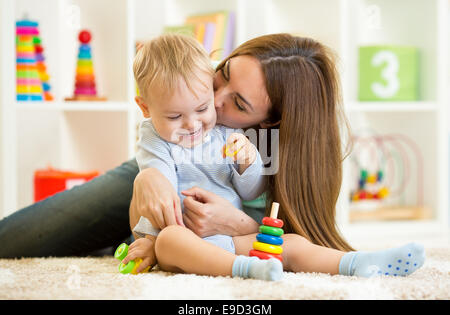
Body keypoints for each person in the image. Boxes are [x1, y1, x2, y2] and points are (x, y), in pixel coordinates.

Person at [0, 34, 425, 279]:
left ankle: (359, 264)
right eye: (220, 74)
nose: (211, 102)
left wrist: (242, 221)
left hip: (226, 234)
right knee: (14, 241)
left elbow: (278, 222)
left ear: (270, 124)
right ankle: (121, 248)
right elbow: (156, 166)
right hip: (159, 198)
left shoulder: (268, 152)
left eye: (237, 103)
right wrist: (147, 178)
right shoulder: (176, 125)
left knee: (288, 246)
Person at [128, 33, 282, 280]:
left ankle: (350, 262)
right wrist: (150, 239)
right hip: (185, 238)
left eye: (202, 108)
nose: (192, 125)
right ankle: (246, 269)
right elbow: (161, 194)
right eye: (175, 117)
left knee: (294, 244)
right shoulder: (157, 133)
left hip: (229, 238)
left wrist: (247, 161)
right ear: (145, 108)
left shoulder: (228, 134)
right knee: (168, 240)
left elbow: (251, 191)